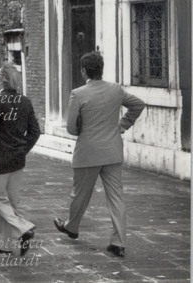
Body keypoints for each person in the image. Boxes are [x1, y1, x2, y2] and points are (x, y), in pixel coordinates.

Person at [54, 51, 145, 258]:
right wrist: (122, 125)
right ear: (101, 69)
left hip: (87, 153)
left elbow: (71, 128)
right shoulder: (116, 90)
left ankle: (72, 227)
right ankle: (119, 241)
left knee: (80, 194)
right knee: (116, 198)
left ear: (84, 70)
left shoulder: (78, 93)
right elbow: (138, 104)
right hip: (112, 151)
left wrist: (83, 130)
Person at [0, 63, 41, 257]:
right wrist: (23, 148)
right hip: (18, 159)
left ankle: (23, 227)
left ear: (3, 82)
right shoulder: (25, 101)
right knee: (10, 203)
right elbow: (35, 131)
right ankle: (3, 244)